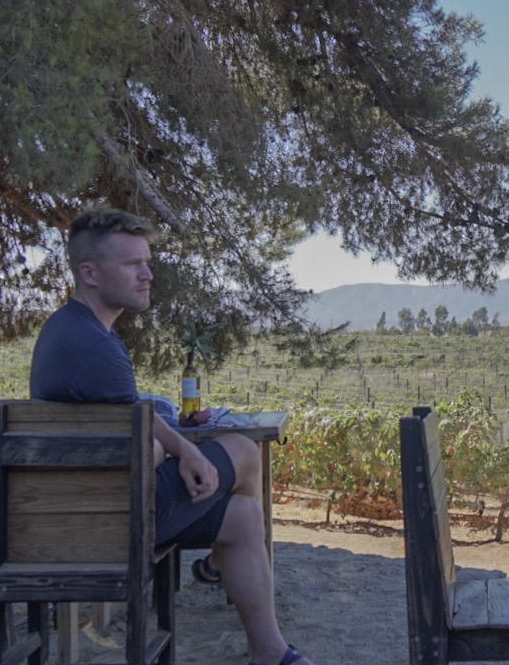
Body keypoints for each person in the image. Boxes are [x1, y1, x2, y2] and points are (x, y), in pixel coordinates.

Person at [30, 208, 314, 665]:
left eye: (147, 261)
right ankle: (216, 568)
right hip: (110, 517)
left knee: (242, 516)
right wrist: (173, 450)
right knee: (243, 451)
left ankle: (269, 650)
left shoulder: (69, 328)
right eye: (132, 264)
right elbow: (143, 443)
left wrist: (180, 448)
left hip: (91, 501)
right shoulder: (97, 348)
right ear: (90, 273)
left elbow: (132, 417)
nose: (147, 274)